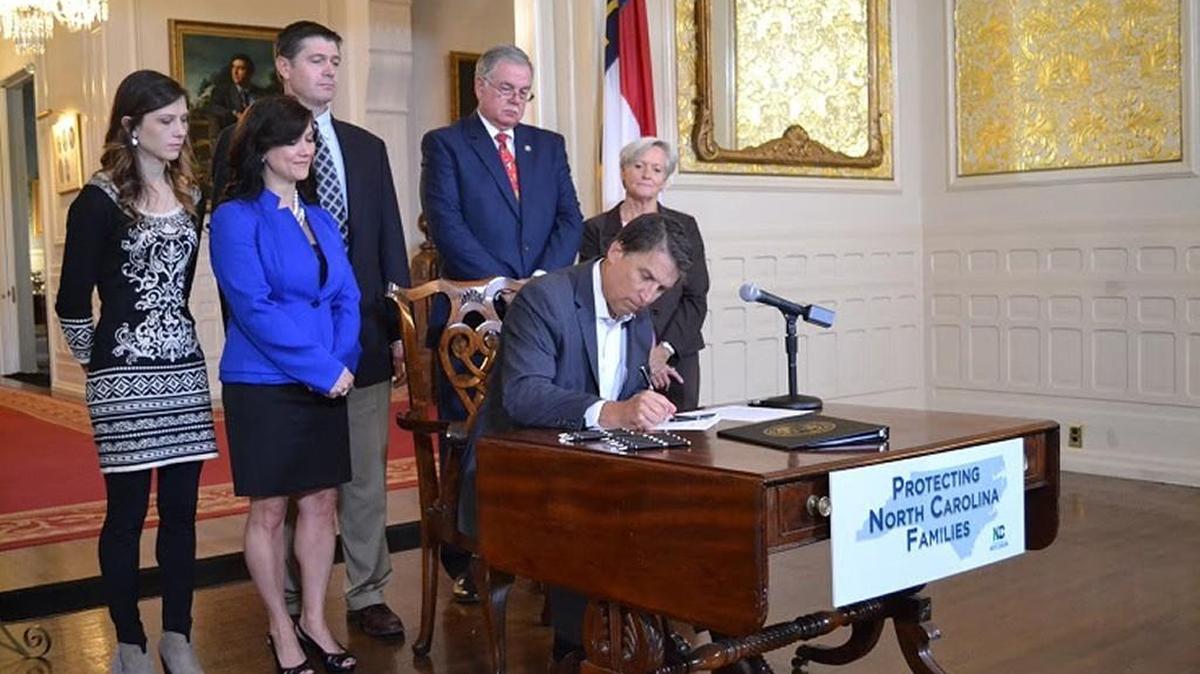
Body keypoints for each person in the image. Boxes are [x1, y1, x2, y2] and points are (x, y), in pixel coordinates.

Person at [211, 20, 411, 638]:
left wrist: (398, 328)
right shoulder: (239, 143)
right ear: (284, 66)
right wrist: (280, 353)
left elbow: (384, 245)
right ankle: (297, 600)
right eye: (317, 59)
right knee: (291, 489)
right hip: (278, 358)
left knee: (362, 478)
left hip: (361, 343)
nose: (329, 70)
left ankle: (366, 591)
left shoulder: (366, 145)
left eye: (336, 60)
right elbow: (239, 272)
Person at [462, 213, 692, 667]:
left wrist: (645, 412)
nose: (648, 296)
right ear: (616, 251)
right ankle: (582, 649)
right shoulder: (546, 299)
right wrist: (615, 412)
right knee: (588, 511)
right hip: (514, 469)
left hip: (592, 463)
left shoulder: (640, 320)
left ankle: (686, 639)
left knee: (685, 504)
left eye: (661, 290)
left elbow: (626, 399)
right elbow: (524, 395)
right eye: (645, 277)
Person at [55, 69, 218, 674]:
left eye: (182, 119)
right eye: (166, 122)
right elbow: (72, 302)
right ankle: (128, 641)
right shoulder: (98, 200)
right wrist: (100, 364)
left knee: (182, 513)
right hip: (122, 380)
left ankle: (178, 636)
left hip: (184, 374)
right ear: (131, 127)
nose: (180, 131)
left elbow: (178, 289)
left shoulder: (193, 197)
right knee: (126, 514)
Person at [420, 42, 584, 601]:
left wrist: (538, 282)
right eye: (506, 89)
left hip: (541, 311)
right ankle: (464, 553)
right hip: (470, 320)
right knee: (468, 434)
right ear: (481, 88)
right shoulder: (446, 144)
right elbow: (446, 224)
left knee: (541, 424)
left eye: (524, 91)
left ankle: (539, 547)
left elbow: (570, 219)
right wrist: (499, 285)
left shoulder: (548, 146)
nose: (516, 100)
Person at [210, 94, 361, 674]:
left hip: (329, 377)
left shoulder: (320, 217)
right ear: (263, 147)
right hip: (266, 383)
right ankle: (280, 625)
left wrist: (341, 362)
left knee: (322, 503)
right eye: (296, 140)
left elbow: (346, 296)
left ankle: (316, 620)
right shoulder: (234, 218)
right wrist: (323, 369)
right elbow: (253, 308)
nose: (308, 149)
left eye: (311, 140)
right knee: (269, 510)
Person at [579, 137, 710, 411]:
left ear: (665, 180)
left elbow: (695, 298)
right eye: (639, 166)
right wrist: (642, 355)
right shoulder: (595, 229)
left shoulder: (686, 227)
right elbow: (597, 294)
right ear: (623, 172)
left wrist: (662, 351)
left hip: (675, 355)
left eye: (657, 169)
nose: (647, 174)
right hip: (615, 355)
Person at [208, 53, 257, 129]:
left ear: (249, 72)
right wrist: (234, 114)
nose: (235, 72)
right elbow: (213, 108)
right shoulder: (222, 92)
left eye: (241, 68)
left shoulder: (259, 93)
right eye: (233, 67)